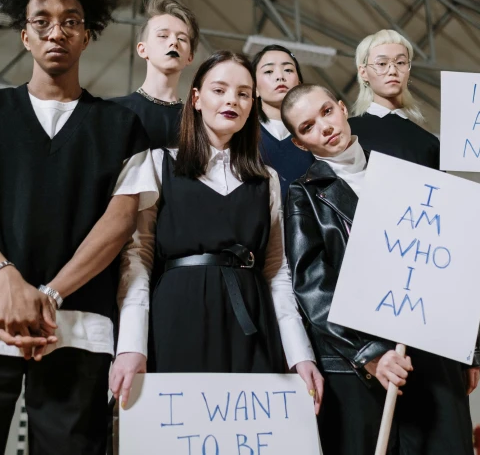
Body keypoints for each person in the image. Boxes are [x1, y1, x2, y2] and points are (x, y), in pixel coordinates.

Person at [0, 0, 158, 455]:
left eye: (71, 20)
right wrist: (6, 280)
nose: (57, 31)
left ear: (88, 32)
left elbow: (119, 224)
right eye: (43, 21)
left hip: (76, 327)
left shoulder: (122, 127)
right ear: (24, 34)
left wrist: (48, 297)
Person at [280, 84, 480, 455]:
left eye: (327, 112)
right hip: (362, 365)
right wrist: (371, 354)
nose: (324, 127)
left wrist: (469, 346)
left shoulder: (404, 174)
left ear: (343, 109)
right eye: (308, 126)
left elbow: (440, 255)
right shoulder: (305, 195)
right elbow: (313, 286)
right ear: (300, 143)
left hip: (432, 352)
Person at [109, 51, 324, 413]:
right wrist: (131, 344)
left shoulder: (266, 179)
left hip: (252, 322)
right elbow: (137, 257)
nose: (231, 101)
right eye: (219, 90)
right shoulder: (158, 162)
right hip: (176, 317)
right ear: (196, 98)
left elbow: (277, 272)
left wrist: (299, 354)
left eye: (243, 93)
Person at [111, 0, 199, 149]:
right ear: (142, 49)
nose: (173, 42)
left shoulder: (197, 123)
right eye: (163, 36)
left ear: (190, 57)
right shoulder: (113, 112)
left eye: (182, 39)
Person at [348, 29, 439, 168]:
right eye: (382, 64)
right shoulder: (347, 133)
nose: (392, 71)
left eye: (401, 63)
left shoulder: (429, 144)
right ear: (363, 72)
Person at [252, 45, 314, 201]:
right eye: (268, 71)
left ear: (299, 84)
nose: (280, 77)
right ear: (254, 88)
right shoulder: (241, 133)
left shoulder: (316, 134)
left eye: (288, 70)